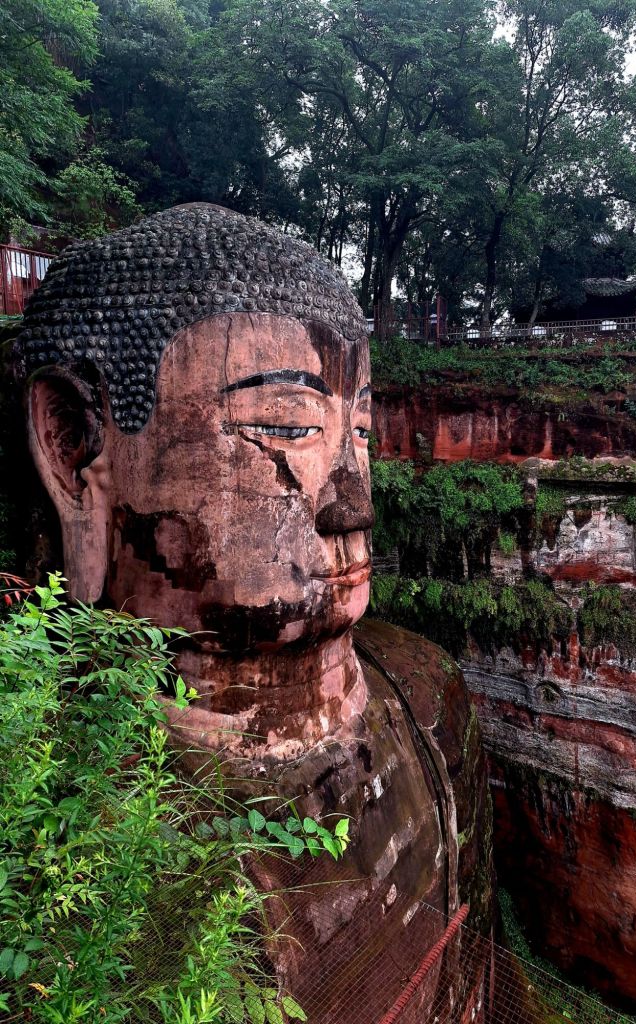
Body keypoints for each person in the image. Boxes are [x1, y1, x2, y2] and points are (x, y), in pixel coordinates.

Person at [15, 204, 491, 1021]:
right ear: (71, 447)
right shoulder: (80, 869)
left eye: (362, 432)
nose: (352, 501)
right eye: (287, 425)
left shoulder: (428, 696)